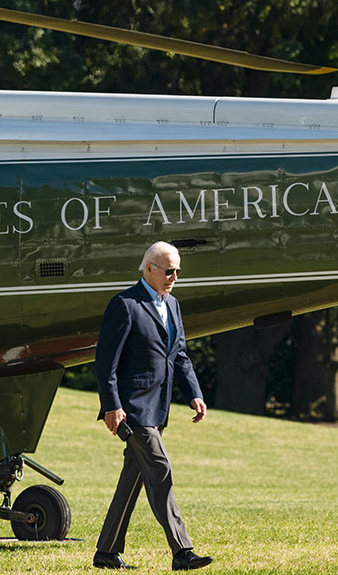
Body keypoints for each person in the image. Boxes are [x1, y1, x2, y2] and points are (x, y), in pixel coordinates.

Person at [93, 241, 213, 571]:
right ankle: (182, 551)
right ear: (149, 269)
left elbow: (180, 356)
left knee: (132, 478)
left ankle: (106, 551)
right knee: (160, 470)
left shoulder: (172, 304)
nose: (175, 276)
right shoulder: (125, 305)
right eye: (169, 270)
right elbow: (106, 362)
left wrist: (194, 394)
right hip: (132, 411)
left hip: (158, 409)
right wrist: (111, 406)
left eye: (178, 271)